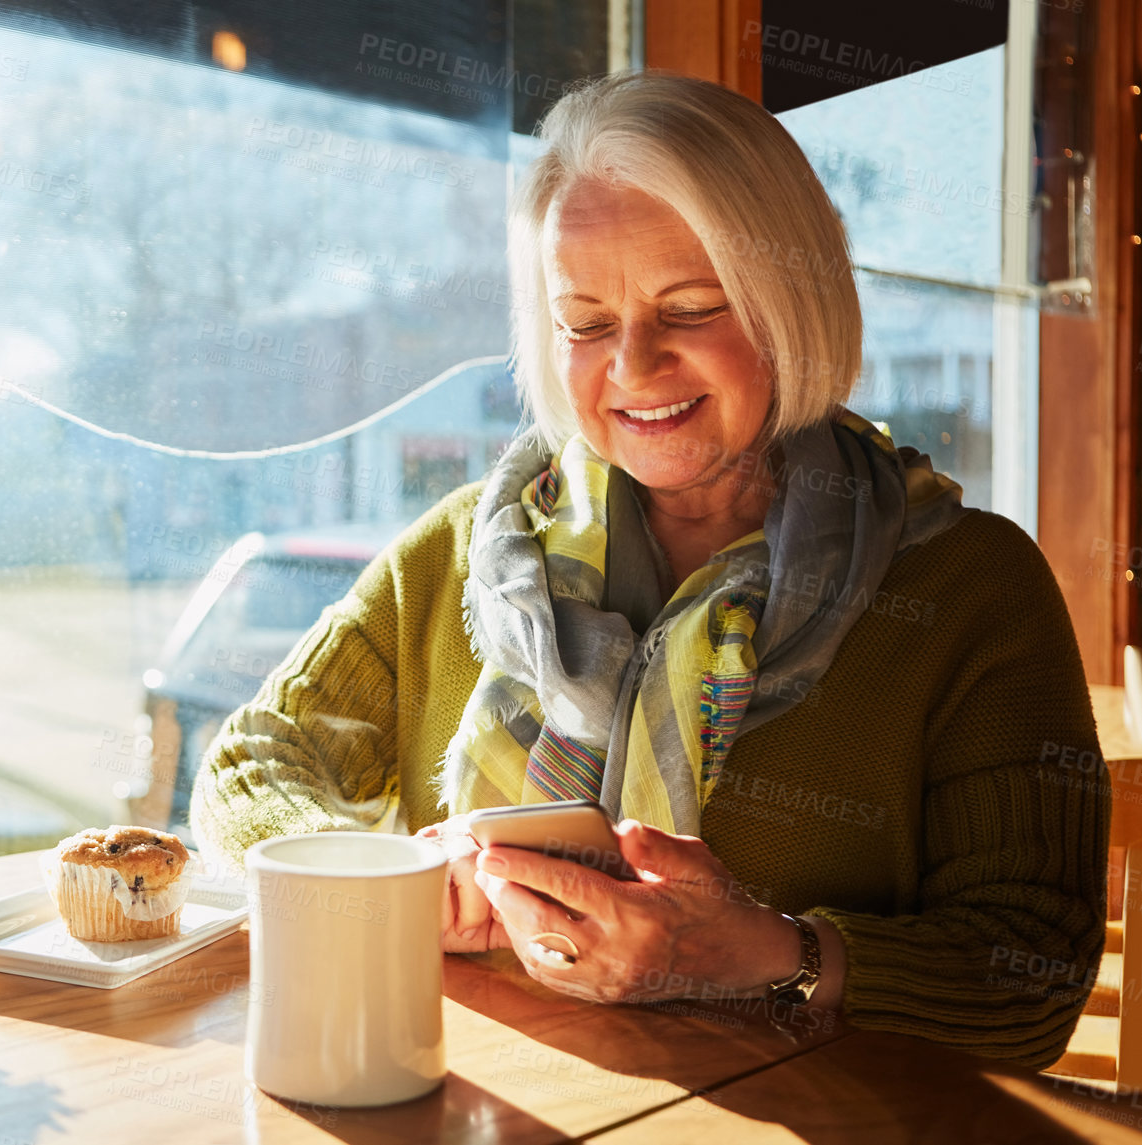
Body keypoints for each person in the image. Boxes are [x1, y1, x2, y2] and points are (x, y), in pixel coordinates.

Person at [192, 71, 1109, 1069]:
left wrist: (766, 954)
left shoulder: (973, 588)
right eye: (583, 321)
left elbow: (1031, 980)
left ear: (788, 304)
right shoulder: (463, 546)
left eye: (688, 307)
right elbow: (254, 761)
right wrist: (382, 876)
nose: (631, 364)